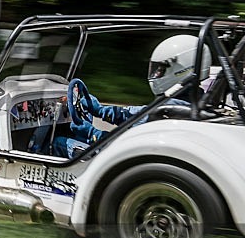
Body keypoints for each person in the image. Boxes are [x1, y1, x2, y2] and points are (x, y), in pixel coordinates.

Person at [52, 34, 211, 158]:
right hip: (145, 155)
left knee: (59, 142)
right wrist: (100, 110)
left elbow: (120, 142)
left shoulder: (168, 110)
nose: (156, 75)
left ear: (181, 70)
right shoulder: (191, 102)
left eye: (160, 69)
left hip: (125, 157)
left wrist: (91, 133)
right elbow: (135, 115)